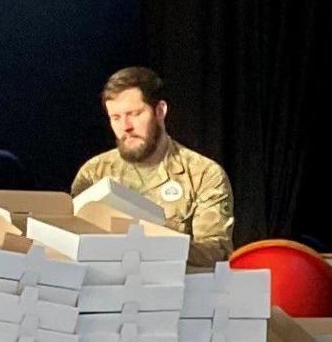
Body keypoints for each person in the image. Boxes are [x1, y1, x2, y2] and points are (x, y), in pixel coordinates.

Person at [70, 66, 235, 269]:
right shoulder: (94, 173)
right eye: (116, 118)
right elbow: (71, 244)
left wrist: (152, 247)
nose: (126, 126)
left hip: (177, 292)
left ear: (160, 111)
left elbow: (215, 252)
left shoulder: (203, 174)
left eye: (134, 114)